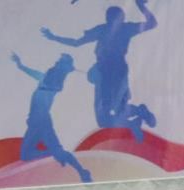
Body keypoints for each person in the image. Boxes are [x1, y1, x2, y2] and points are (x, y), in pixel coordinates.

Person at [41, 0, 158, 140]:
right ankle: (135, 118)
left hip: (111, 72)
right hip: (109, 71)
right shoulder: (116, 29)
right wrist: (54, 37)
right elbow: (76, 42)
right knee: (109, 115)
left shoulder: (119, 29)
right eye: (111, 19)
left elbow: (76, 43)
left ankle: (136, 116)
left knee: (109, 114)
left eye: (115, 19)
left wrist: (140, 5)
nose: (113, 22)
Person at [9, 52, 92, 181]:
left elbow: (50, 79)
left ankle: (81, 171)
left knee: (37, 153)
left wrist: (65, 68)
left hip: (41, 121)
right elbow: (36, 74)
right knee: (26, 155)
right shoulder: (46, 81)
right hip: (35, 121)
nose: (55, 63)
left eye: (59, 61)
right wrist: (20, 65)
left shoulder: (53, 85)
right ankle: (56, 154)